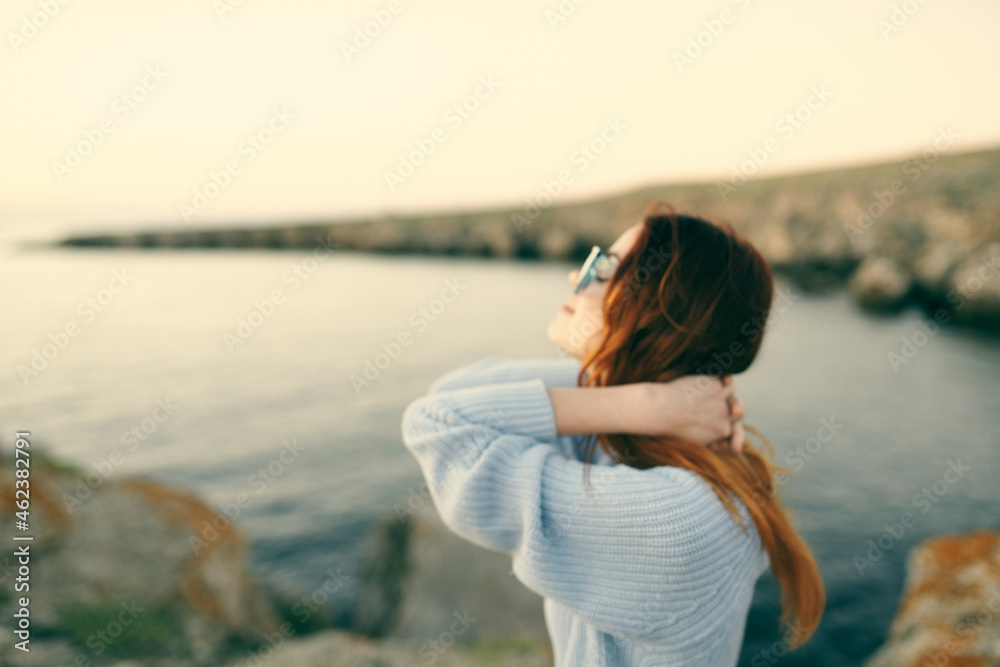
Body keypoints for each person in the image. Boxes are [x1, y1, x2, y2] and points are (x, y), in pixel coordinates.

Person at [400, 200, 825, 666]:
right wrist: (638, 399)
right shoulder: (626, 441)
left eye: (604, 269)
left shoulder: (679, 517)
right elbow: (449, 395)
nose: (576, 278)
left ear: (655, 312)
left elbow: (438, 425)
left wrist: (635, 400)